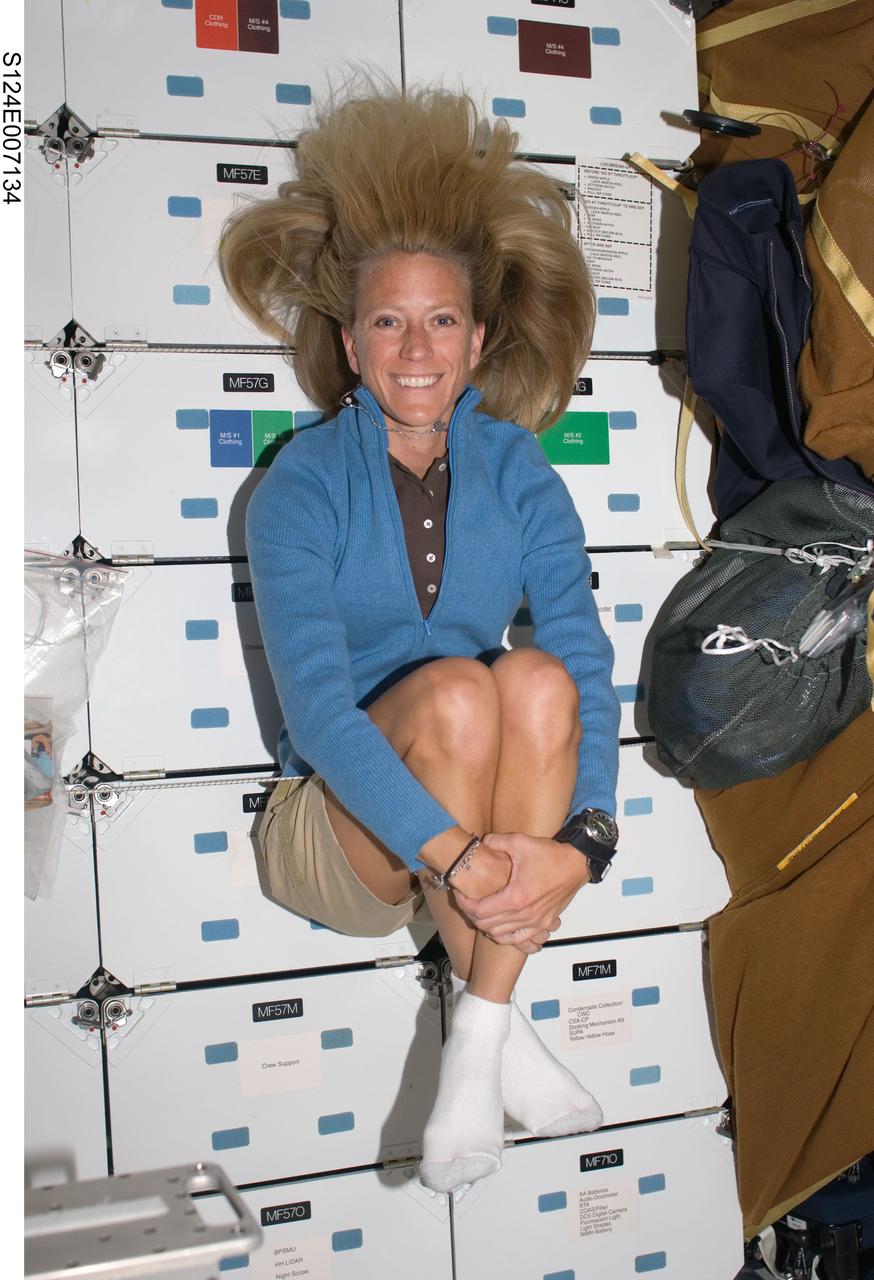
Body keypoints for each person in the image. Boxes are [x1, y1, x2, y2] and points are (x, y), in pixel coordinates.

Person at [218, 87, 621, 1194]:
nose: (415, 346)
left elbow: (584, 662)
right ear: (350, 345)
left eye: (440, 319)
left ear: (477, 339)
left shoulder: (520, 472)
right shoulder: (298, 485)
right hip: (337, 826)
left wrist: (580, 843)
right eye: (387, 321)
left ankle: (479, 1030)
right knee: (451, 691)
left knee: (531, 674)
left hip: (479, 826)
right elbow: (318, 713)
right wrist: (463, 860)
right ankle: (491, 1020)